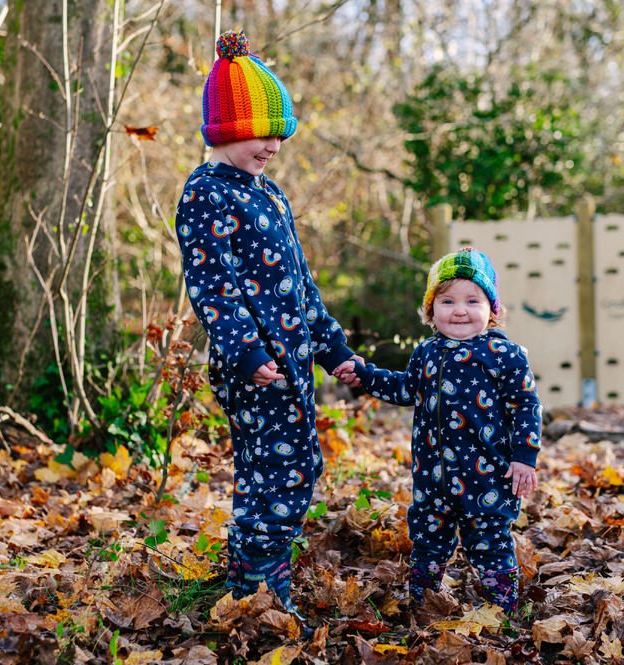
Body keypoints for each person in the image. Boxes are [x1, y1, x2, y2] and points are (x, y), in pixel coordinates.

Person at [175, 30, 359, 622]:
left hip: (293, 362)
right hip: (255, 367)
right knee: (281, 467)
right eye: (262, 132)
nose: (274, 144)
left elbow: (301, 286)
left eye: (280, 132)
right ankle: (257, 581)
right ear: (226, 130)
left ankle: (255, 566)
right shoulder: (205, 194)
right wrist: (247, 352)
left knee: (291, 464)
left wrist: (332, 350)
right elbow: (212, 285)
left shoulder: (270, 194)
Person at [333, 248, 542, 613]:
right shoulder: (426, 353)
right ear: (431, 311)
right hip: (433, 477)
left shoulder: (504, 354)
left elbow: (525, 405)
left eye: (472, 300)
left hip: (488, 476)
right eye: (447, 301)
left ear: (492, 309)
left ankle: (504, 609)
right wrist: (366, 375)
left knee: (490, 542)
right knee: (429, 540)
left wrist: (525, 457)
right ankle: (422, 602)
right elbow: (404, 388)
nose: (459, 310)